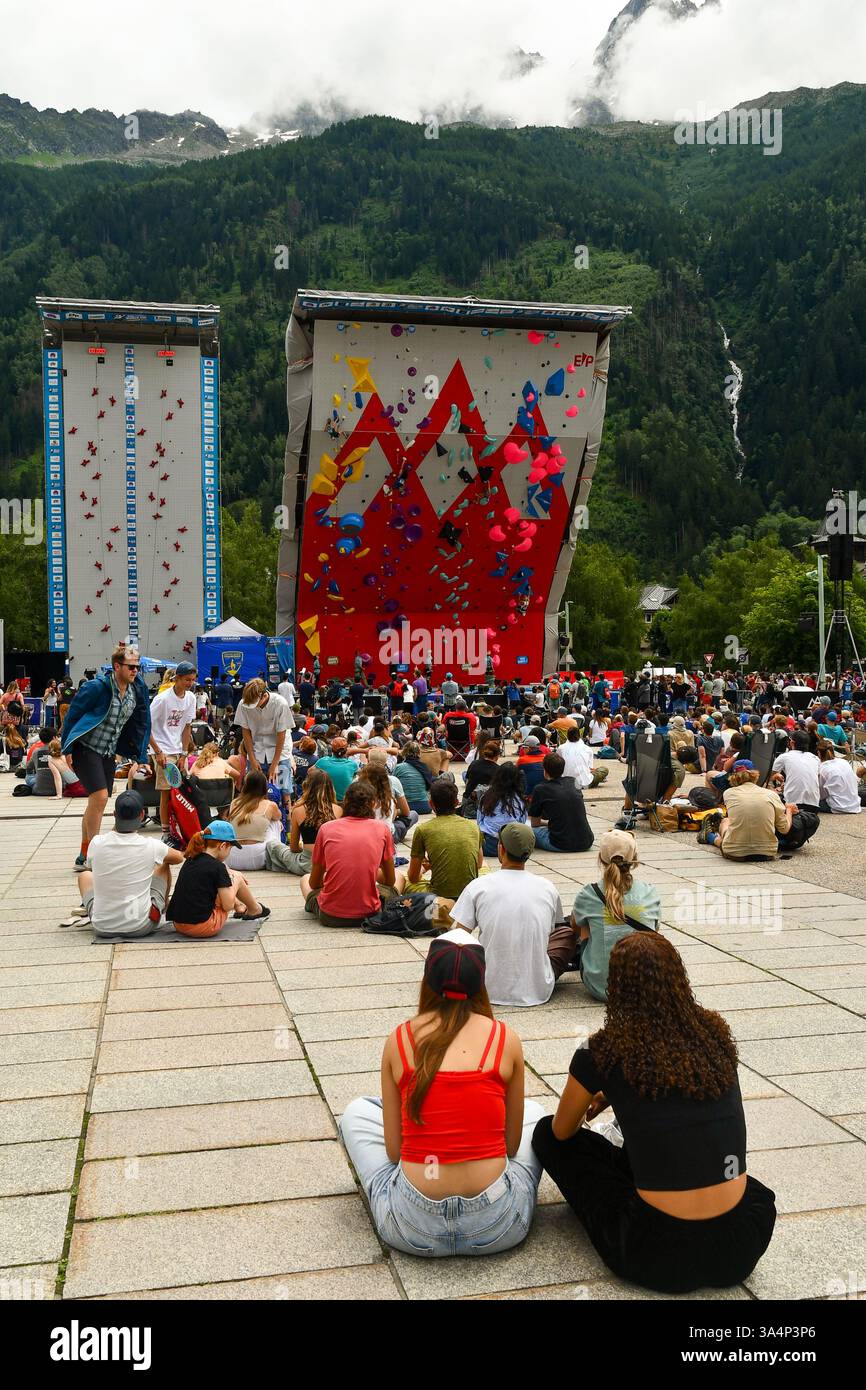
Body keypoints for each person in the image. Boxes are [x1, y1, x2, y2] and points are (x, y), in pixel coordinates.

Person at [532, 932, 776, 1294]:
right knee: (704, 1161)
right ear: (679, 979)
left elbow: (563, 1131)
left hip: (655, 1253)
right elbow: (674, 1095)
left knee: (545, 1135)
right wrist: (617, 1097)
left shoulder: (601, 1050)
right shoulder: (714, 1035)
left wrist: (606, 1093)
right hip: (740, 1244)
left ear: (617, 987)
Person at [339, 929, 545, 1256]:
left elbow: (394, 1153)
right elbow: (510, 1145)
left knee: (358, 1112)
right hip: (497, 1224)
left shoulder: (401, 1038)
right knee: (535, 1113)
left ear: (428, 979)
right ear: (481, 982)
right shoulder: (505, 1039)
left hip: (412, 1226)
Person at [450, 822, 576, 1007]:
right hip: (539, 989)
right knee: (566, 932)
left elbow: (458, 938)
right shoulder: (547, 887)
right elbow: (553, 931)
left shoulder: (478, 886)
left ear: (501, 849)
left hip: (486, 987)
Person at [60, 645, 152, 869]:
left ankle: (83, 855)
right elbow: (73, 715)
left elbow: (142, 723)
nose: (135, 671)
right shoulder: (97, 687)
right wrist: (67, 748)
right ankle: (94, 855)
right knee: (100, 798)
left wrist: (142, 757)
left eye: (138, 667)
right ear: (117, 666)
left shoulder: (135, 691)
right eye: (131, 667)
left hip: (108, 753)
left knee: (96, 801)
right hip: (85, 747)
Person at [78, 790, 184, 939]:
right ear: (142, 815)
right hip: (141, 925)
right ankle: (162, 906)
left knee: (85, 876)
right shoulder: (151, 845)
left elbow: (91, 868)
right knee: (163, 864)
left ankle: (103, 912)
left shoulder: (96, 842)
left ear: (114, 814)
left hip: (102, 927)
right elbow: (179, 858)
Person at [569, 830, 661, 1001]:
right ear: (634, 859)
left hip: (601, 987)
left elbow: (575, 928)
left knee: (584, 926)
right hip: (644, 988)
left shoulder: (589, 893)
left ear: (600, 858)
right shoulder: (649, 892)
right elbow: (655, 929)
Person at [300, 780, 396, 928]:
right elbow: (390, 880)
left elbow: (314, 883)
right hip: (371, 913)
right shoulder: (382, 829)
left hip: (330, 916)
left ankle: (313, 905)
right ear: (373, 804)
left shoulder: (326, 829)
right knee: (400, 878)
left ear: (344, 801)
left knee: (305, 880)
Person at [165, 820, 268, 935]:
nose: (229, 852)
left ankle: (240, 906)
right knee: (237, 877)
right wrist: (235, 878)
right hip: (203, 926)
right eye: (230, 848)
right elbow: (228, 905)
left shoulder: (191, 859)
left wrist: (228, 874)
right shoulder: (218, 867)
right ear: (223, 846)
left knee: (224, 881)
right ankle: (254, 909)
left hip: (179, 924)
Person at [400, 777, 484, 903]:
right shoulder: (473, 826)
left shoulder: (423, 829)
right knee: (485, 867)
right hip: (467, 895)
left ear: (431, 804)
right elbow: (478, 864)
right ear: (457, 802)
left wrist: (425, 868)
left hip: (436, 896)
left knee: (403, 879)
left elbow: (413, 877)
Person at [698, 761, 794, 858]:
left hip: (735, 852)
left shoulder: (729, 793)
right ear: (755, 775)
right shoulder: (771, 794)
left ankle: (711, 837)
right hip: (768, 851)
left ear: (733, 777)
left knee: (726, 821)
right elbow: (784, 829)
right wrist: (789, 810)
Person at [148, 660, 197, 840]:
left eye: (192, 680)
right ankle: (165, 832)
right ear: (177, 678)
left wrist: (184, 753)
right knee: (167, 791)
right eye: (187, 680)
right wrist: (157, 752)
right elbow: (147, 726)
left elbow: (187, 727)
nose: (190, 684)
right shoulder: (162, 699)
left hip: (178, 749)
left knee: (181, 791)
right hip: (162, 748)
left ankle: (179, 826)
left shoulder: (191, 698)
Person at [267, 768, 341, 876]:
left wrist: (302, 848)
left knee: (273, 846)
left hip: (307, 863)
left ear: (307, 786)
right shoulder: (338, 810)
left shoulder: (298, 810)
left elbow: (293, 848)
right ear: (330, 787)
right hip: (331, 862)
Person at [233, 679, 295, 800]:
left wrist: (275, 764)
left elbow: (281, 736)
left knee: (284, 788)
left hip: (280, 752)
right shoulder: (243, 704)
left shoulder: (280, 703)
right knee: (253, 789)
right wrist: (251, 758)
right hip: (257, 749)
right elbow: (246, 732)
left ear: (264, 695)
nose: (252, 707)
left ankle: (287, 816)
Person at [528, 752, 594, 853]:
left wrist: (548, 823)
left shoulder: (540, 789)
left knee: (527, 831)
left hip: (560, 843)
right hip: (586, 841)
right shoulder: (573, 782)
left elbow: (535, 823)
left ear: (545, 770)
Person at [226, 769, 284, 870]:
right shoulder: (270, 805)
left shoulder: (234, 803)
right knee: (275, 822)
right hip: (258, 858)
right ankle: (275, 856)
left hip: (232, 857)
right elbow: (279, 817)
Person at [357, 756, 418, 845]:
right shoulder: (388, 799)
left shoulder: (358, 796)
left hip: (365, 835)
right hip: (387, 837)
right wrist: (395, 812)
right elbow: (405, 812)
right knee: (413, 815)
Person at [477, 762, 528, 856]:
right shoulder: (519, 800)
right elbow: (522, 822)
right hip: (512, 846)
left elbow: (479, 821)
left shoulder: (487, 796)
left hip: (489, 845)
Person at [771, 731, 820, 812]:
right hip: (814, 805)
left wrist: (776, 776)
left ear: (792, 742)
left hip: (792, 805)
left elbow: (769, 778)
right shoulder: (815, 758)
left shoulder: (784, 757)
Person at [818, 743, 862, 814]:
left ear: (819, 753)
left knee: (809, 802)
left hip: (838, 806)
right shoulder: (844, 762)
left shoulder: (823, 769)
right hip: (855, 804)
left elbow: (821, 794)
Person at [461, 739, 500, 817]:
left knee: (464, 774)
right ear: (497, 756)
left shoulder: (474, 763)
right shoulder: (498, 770)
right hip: (486, 805)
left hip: (468, 802)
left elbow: (468, 782)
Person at [560, 725, 608, 790]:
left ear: (567, 736)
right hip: (584, 783)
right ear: (579, 735)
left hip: (565, 783)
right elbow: (590, 768)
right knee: (604, 769)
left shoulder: (561, 748)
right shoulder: (587, 749)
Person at [393, 740, 434, 815]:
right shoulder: (424, 767)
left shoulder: (399, 767)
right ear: (419, 753)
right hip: (425, 807)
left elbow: (392, 786)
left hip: (405, 807)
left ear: (404, 752)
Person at [315, 735, 357, 802]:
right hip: (344, 802)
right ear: (346, 750)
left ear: (332, 749)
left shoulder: (322, 761)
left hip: (326, 801)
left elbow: (309, 772)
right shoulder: (353, 765)